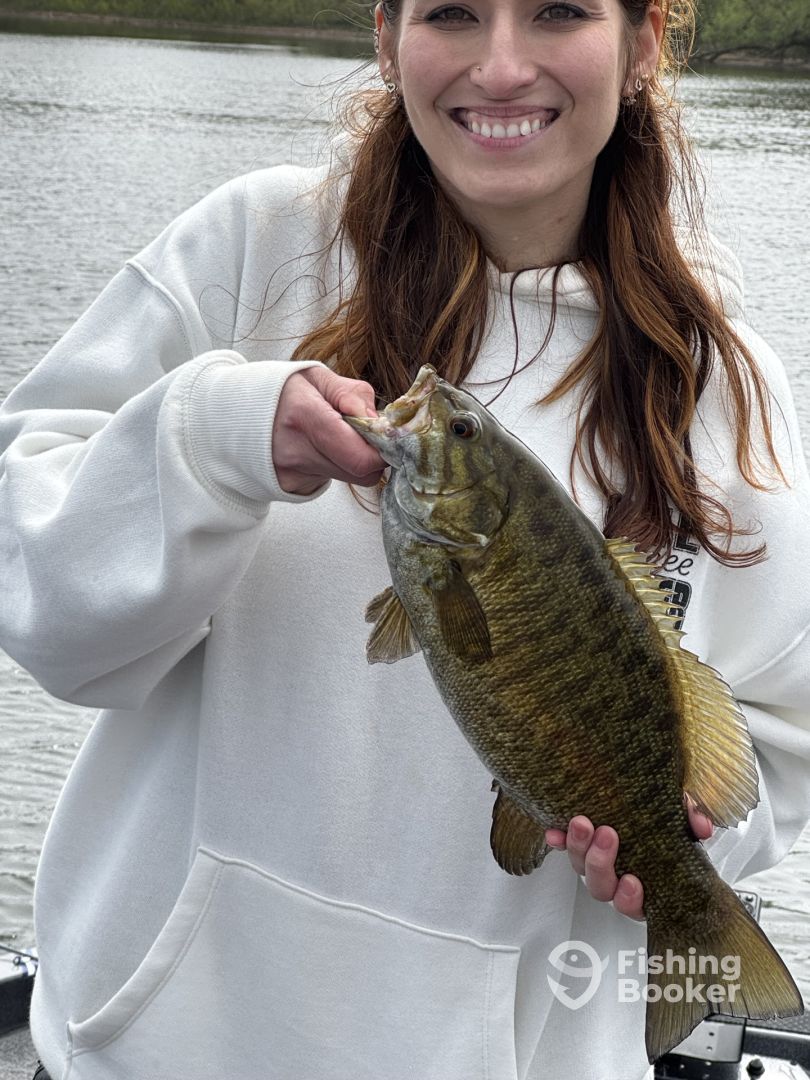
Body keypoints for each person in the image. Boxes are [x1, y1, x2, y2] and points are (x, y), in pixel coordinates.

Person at [1, 1, 809, 1078]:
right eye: (454, 13)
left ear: (643, 43)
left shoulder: (726, 390)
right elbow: (46, 622)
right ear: (387, 37)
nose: (503, 66)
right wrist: (212, 441)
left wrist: (685, 839)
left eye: (559, 11)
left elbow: (780, 743)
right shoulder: (252, 249)